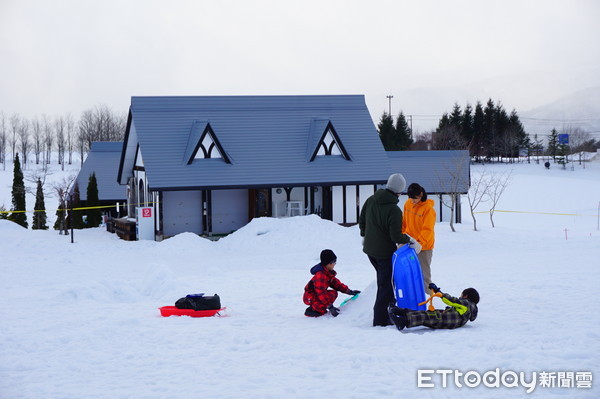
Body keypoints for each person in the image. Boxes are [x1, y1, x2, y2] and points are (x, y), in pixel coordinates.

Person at [359, 173, 422, 327]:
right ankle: (380, 320)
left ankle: (391, 309)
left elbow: (362, 221)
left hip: (370, 251)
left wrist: (365, 236)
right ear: (399, 191)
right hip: (383, 254)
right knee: (385, 285)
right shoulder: (394, 210)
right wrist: (410, 240)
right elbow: (396, 237)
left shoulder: (371, 199)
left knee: (386, 283)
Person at [387, 283, 479, 331]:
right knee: (428, 314)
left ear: (466, 296)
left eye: (462, 294)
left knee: (426, 317)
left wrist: (438, 291)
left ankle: (403, 322)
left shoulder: (466, 304)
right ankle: (402, 312)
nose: (460, 296)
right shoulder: (469, 308)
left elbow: (451, 300)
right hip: (449, 319)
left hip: (447, 320)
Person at [303, 249, 361, 317]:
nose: (335, 265)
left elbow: (337, 284)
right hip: (310, 296)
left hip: (315, 295)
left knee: (333, 293)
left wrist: (349, 291)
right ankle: (313, 310)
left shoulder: (327, 273)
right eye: (334, 262)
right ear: (329, 263)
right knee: (328, 296)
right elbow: (320, 292)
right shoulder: (320, 275)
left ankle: (318, 308)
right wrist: (330, 306)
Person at [403, 183, 436, 295]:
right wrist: (402, 236)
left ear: (421, 194)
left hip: (424, 247)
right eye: (410, 198)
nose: (412, 201)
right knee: (408, 272)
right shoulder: (408, 204)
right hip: (409, 243)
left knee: (424, 275)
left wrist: (419, 243)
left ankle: (429, 299)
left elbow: (427, 229)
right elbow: (404, 222)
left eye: (415, 198)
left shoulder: (428, 210)